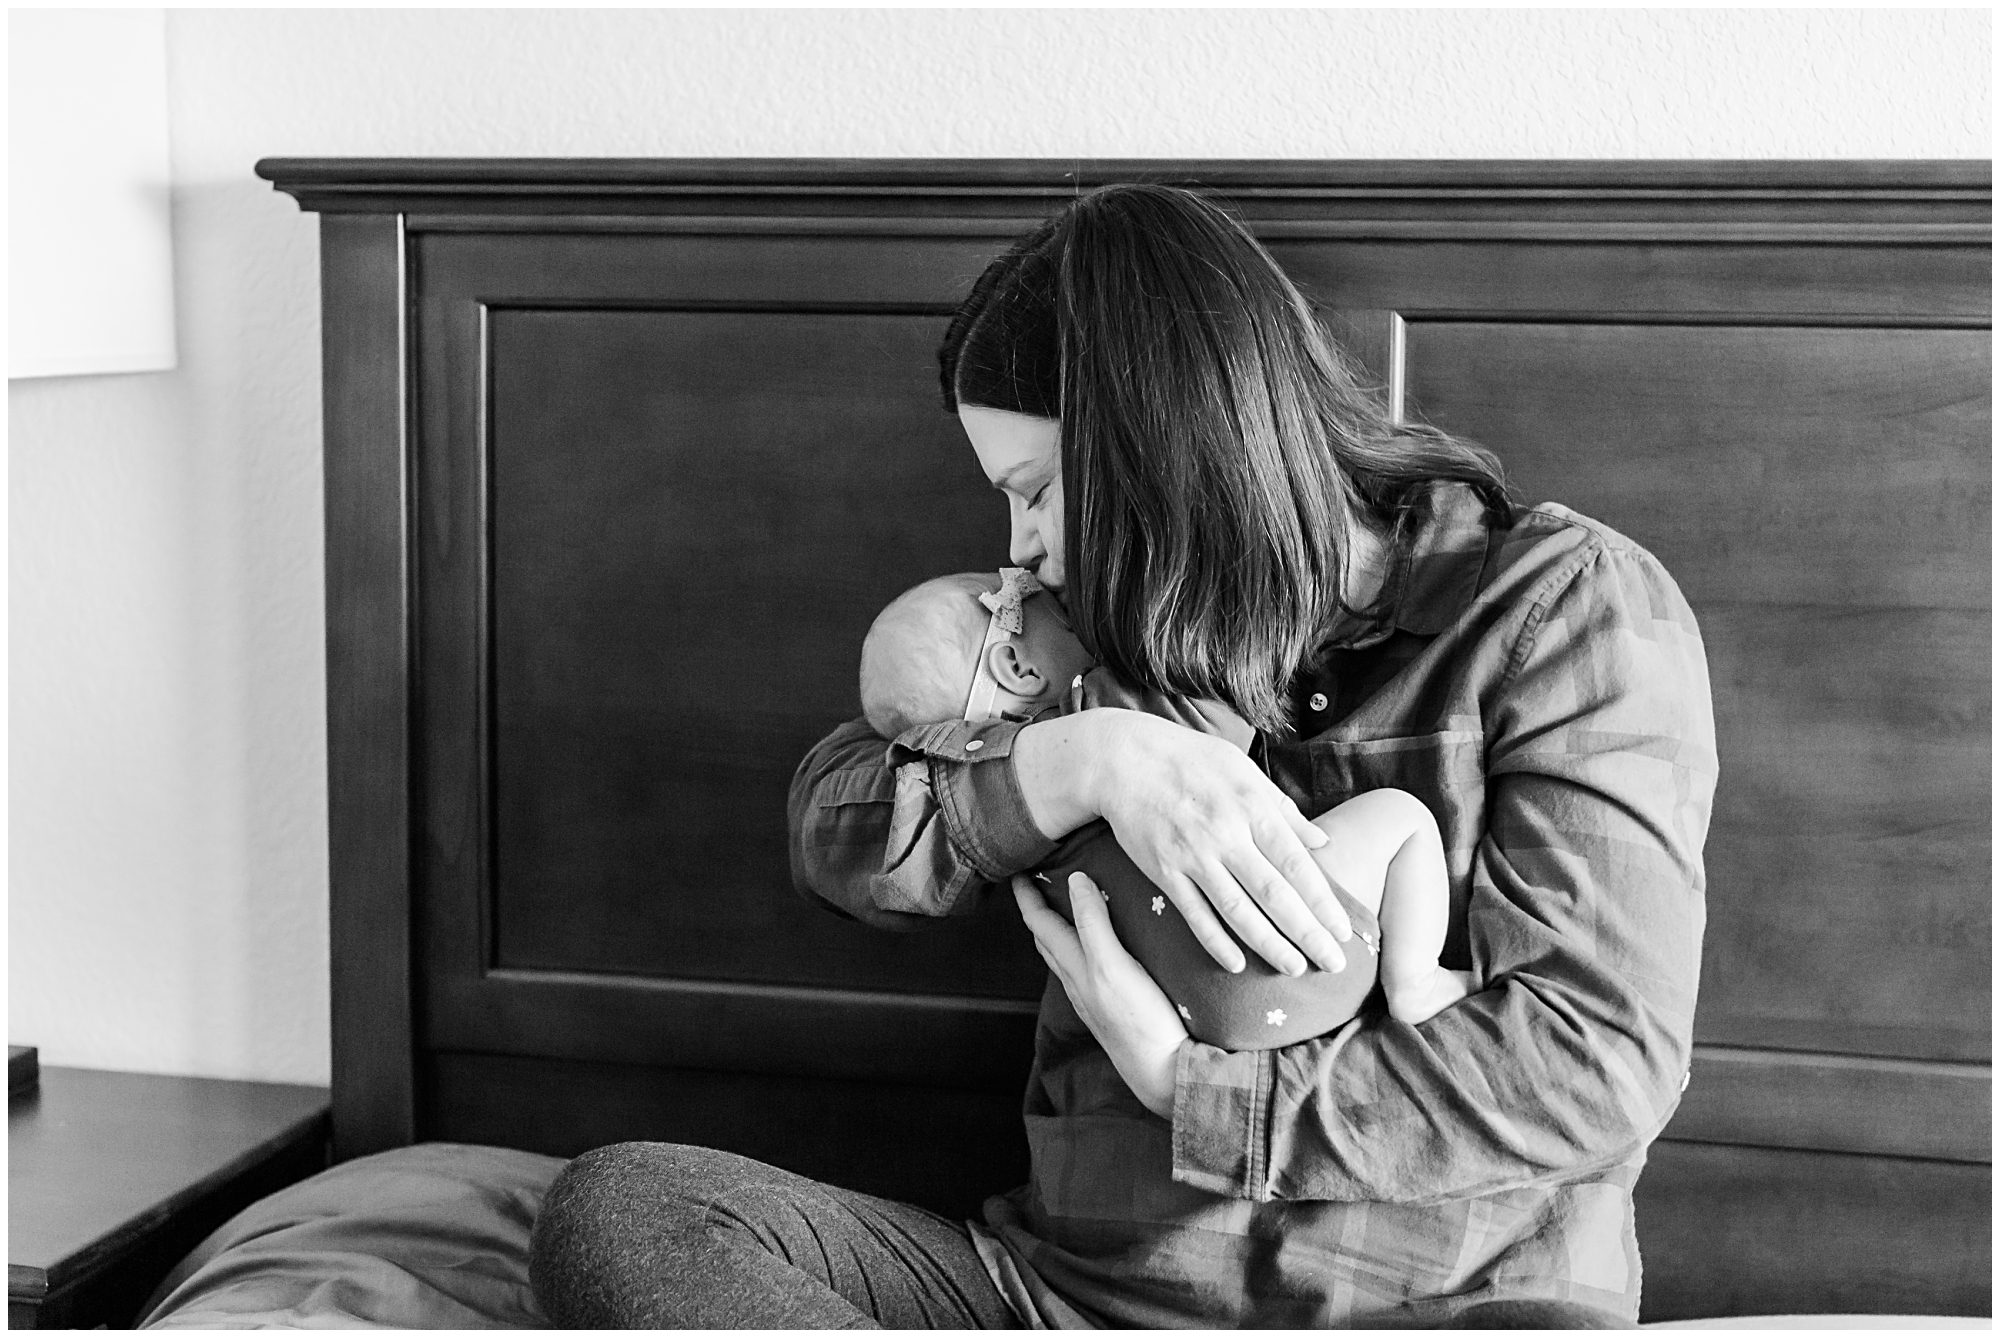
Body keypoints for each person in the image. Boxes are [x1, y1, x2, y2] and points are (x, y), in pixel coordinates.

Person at [528, 183, 1716, 1329]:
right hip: (1057, 1304)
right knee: (628, 1212)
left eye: (1034, 492)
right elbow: (839, 830)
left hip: (1434, 1314)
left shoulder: (1560, 611)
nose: (1020, 549)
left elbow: (1591, 1061)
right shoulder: (1088, 645)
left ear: (1157, 449)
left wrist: (1196, 1096)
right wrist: (1088, 762)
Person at [859, 566, 1474, 1047]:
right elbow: (1225, 693)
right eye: (1069, 624)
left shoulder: (1017, 820)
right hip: (1305, 944)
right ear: (1016, 667)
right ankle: (1415, 981)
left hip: (1191, 1019)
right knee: (1402, 815)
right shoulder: (1115, 699)